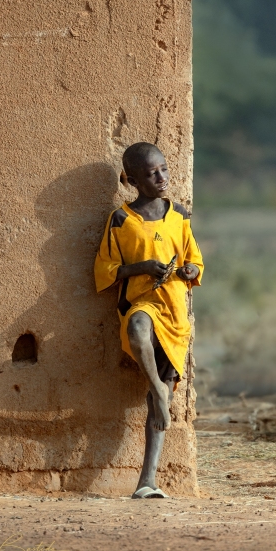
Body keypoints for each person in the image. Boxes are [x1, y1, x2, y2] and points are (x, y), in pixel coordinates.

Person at [94, 142, 204, 499]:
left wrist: (190, 269)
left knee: (158, 406)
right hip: (141, 302)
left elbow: (195, 261)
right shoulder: (122, 219)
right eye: (152, 173)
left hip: (173, 312)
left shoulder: (180, 215)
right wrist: (141, 267)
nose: (162, 178)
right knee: (137, 328)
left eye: (164, 169)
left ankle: (147, 481)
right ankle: (155, 384)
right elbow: (105, 270)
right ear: (133, 180)